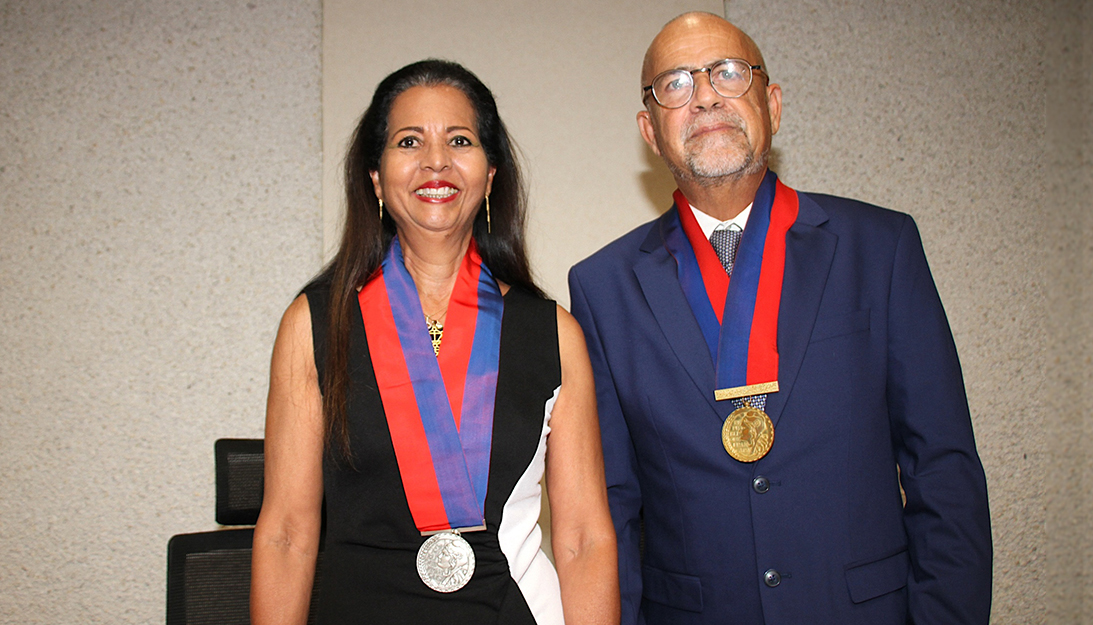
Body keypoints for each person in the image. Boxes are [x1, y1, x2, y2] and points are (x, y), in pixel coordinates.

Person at [567, 12, 991, 625]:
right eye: (676, 84)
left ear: (772, 103)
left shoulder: (881, 247)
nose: (706, 94)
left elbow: (944, 472)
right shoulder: (602, 287)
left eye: (728, 73)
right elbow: (612, 507)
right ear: (650, 132)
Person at [251, 60, 618, 625]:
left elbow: (585, 539)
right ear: (375, 175)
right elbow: (286, 535)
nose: (436, 160)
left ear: (491, 173)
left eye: (460, 140)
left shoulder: (554, 333)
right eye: (408, 141)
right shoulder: (315, 325)